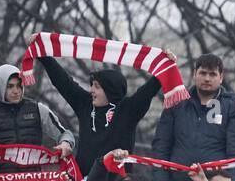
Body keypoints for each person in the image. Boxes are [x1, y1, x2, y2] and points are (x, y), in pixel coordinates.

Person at [150, 54, 235, 181]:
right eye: (203, 73)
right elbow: (161, 144)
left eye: (212, 74)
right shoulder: (176, 101)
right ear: (194, 74)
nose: (207, 79)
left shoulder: (232, 105)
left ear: (221, 77)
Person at [33, 54, 162, 173]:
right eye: (91, 86)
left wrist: (163, 66)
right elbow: (64, 82)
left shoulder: (127, 110)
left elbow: (147, 91)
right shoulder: (85, 104)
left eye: (97, 86)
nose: (91, 90)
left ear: (111, 90)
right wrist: (44, 56)